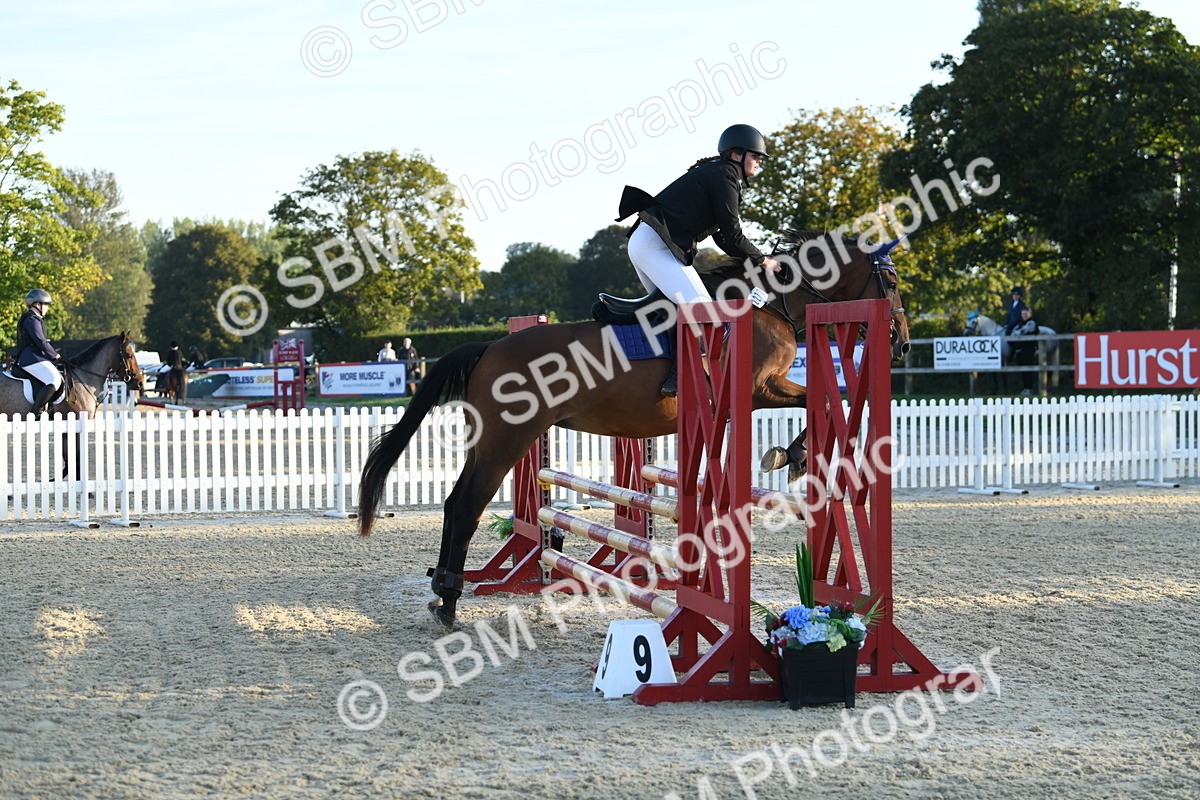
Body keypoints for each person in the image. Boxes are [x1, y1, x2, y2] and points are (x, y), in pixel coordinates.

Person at [615, 124, 781, 396]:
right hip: (655, 246)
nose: (759, 161)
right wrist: (764, 260)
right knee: (705, 310)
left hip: (646, 242)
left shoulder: (717, 173)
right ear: (736, 155)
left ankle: (671, 374)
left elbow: (723, 239)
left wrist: (754, 259)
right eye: (755, 156)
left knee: (674, 309)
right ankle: (684, 375)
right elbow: (733, 235)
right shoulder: (725, 175)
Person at [14, 288, 63, 414]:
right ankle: (37, 412)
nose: (47, 308)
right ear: (37, 304)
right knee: (54, 379)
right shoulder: (31, 319)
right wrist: (55, 355)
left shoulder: (34, 318)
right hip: (31, 358)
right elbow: (41, 341)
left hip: (36, 357)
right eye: (45, 304)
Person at [1010, 306, 1039, 396]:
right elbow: (1012, 333)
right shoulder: (1019, 324)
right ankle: (1025, 388)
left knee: (1028, 369)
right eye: (1023, 314)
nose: (1024, 315)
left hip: (1028, 350)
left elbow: (1023, 331)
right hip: (1020, 350)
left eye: (1026, 313)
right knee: (1022, 370)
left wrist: (1016, 333)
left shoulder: (1031, 323)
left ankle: (1029, 388)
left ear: (1030, 314)